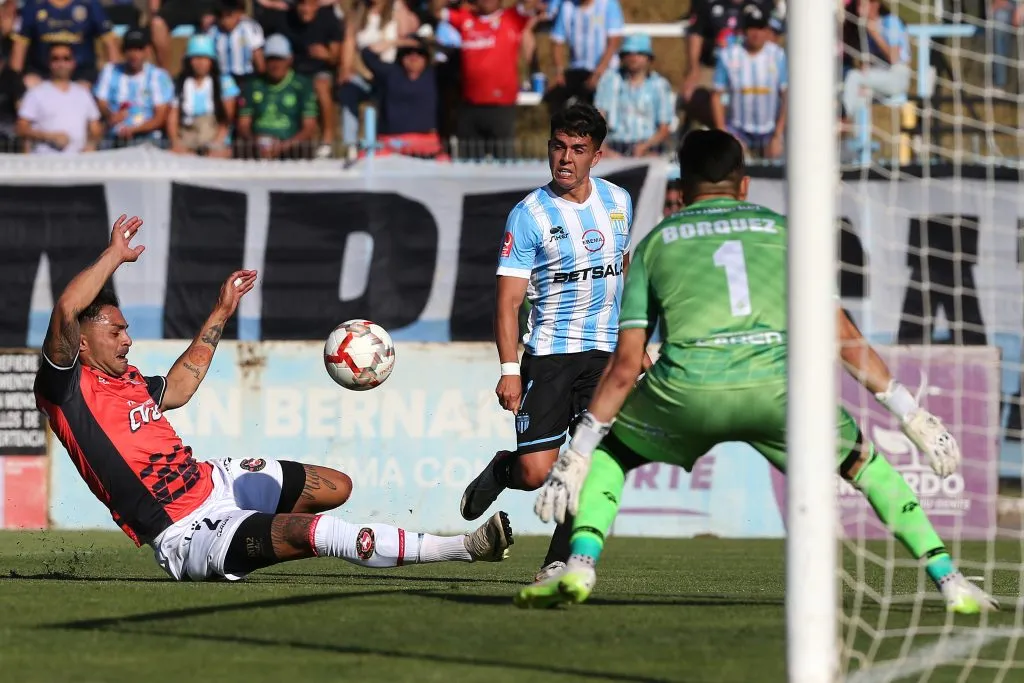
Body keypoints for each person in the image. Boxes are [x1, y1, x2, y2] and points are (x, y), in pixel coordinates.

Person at [515, 130, 999, 615]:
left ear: (681, 190)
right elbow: (844, 336)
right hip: (777, 392)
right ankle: (949, 578)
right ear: (744, 186)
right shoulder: (785, 232)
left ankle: (580, 561)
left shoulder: (655, 244)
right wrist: (910, 414)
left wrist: (578, 451)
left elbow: (624, 367)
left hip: (687, 391)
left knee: (611, 456)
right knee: (866, 467)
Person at [34, 215, 515, 583]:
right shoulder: (67, 388)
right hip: (184, 532)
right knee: (315, 533)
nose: (127, 340)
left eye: (127, 330)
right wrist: (114, 256)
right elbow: (67, 308)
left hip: (215, 482)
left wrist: (221, 311)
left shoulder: (131, 379)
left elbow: (180, 386)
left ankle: (258, 531)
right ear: (80, 341)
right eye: (116, 331)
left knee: (336, 486)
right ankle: (465, 548)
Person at [459, 103, 641, 585]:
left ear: (596, 155)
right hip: (550, 355)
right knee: (537, 473)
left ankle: (556, 563)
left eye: (578, 149)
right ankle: (504, 470)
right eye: (558, 147)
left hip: (604, 356)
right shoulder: (529, 215)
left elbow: (624, 277)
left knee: (588, 460)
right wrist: (509, 369)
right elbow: (508, 300)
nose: (566, 158)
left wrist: (636, 341)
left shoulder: (619, 202)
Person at [16, 42, 102, 154]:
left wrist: (91, 145)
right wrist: (49, 136)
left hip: (77, 164)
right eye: (55, 59)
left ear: (73, 63)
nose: (61, 63)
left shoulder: (83, 94)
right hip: (44, 163)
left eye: (66, 58)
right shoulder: (36, 93)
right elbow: (21, 128)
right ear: (49, 63)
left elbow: (95, 128)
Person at [93, 28, 175, 146]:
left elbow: (160, 117)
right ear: (123, 51)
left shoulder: (158, 76)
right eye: (130, 49)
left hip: (148, 136)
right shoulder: (110, 71)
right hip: (115, 135)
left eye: (139, 49)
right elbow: (101, 102)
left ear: (146, 51)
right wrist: (111, 115)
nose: (134, 55)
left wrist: (134, 129)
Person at [167, 35, 239, 157]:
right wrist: (175, 142)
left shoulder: (224, 82)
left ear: (212, 61)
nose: (200, 63)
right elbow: (172, 117)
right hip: (187, 136)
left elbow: (227, 119)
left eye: (205, 58)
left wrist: (216, 143)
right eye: (196, 58)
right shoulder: (180, 83)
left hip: (215, 136)